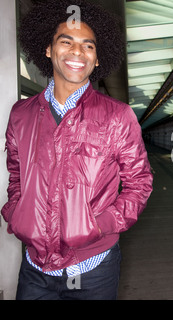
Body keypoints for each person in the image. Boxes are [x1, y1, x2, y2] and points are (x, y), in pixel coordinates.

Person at [1, 0, 153, 300]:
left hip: (93, 269)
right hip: (35, 268)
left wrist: (98, 226)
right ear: (47, 50)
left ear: (97, 59)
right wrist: (17, 212)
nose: (77, 52)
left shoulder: (117, 116)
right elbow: (16, 174)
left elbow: (140, 184)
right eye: (66, 41)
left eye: (88, 46)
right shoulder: (21, 114)